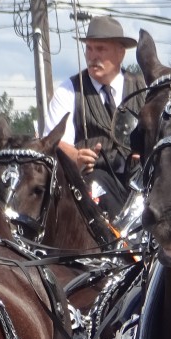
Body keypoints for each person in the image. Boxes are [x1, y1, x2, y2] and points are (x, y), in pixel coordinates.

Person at [44, 15, 145, 218]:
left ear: (120, 53)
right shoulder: (69, 90)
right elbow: (53, 142)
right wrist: (75, 157)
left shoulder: (144, 88)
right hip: (93, 182)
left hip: (141, 180)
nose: (92, 56)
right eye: (89, 48)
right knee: (94, 184)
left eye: (100, 49)